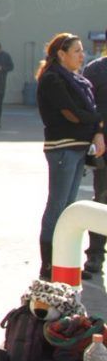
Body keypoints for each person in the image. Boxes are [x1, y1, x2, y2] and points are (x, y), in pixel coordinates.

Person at [35, 32, 104, 280]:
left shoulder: (77, 80)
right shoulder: (54, 79)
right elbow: (72, 114)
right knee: (57, 207)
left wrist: (94, 122)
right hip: (63, 148)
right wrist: (97, 120)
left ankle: (64, 264)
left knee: (68, 208)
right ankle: (49, 265)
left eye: (82, 50)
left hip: (77, 148)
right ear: (61, 54)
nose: (81, 55)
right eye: (76, 51)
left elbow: (87, 111)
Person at [82, 34, 107, 278]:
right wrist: (96, 133)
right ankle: (95, 257)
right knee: (102, 199)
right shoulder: (97, 70)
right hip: (104, 146)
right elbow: (87, 107)